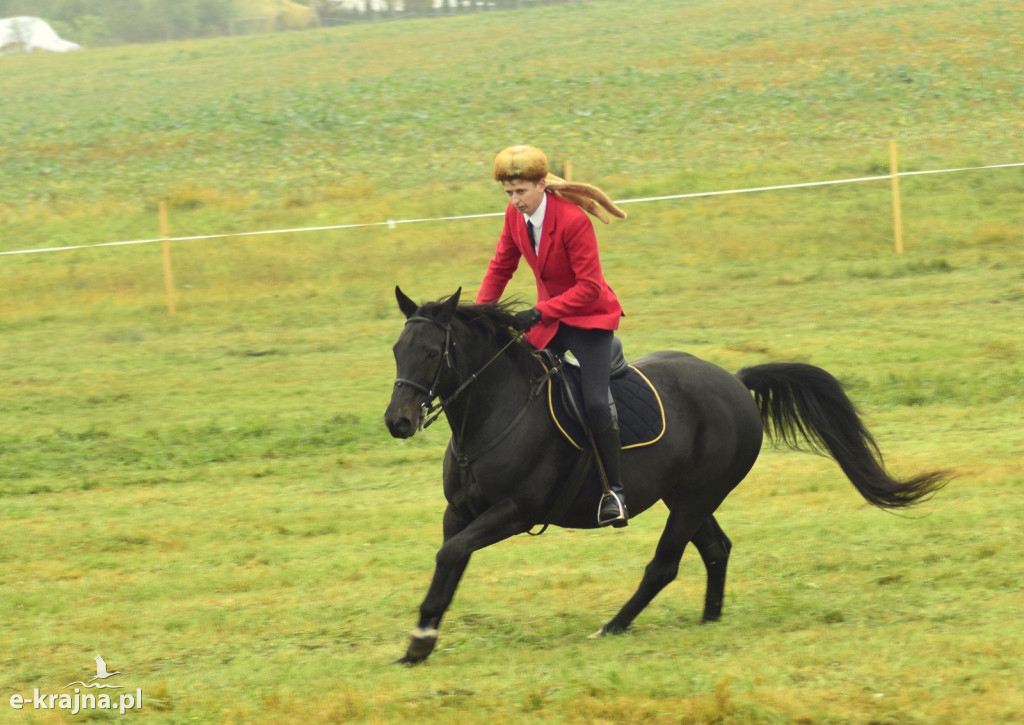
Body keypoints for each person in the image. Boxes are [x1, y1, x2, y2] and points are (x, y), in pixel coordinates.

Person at [475, 145, 629, 527]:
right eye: (509, 194)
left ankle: (615, 491)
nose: (515, 201)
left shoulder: (574, 221)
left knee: (595, 405)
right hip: (552, 323)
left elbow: (590, 288)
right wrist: (479, 317)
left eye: (521, 192)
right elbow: (500, 268)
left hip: (590, 322)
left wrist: (540, 310)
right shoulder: (514, 218)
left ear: (542, 184)